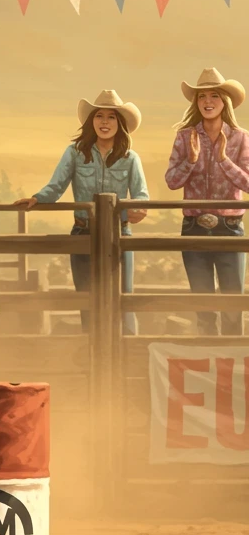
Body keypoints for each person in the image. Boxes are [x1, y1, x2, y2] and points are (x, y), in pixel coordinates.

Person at [15, 90, 148, 335]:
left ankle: (130, 360)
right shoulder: (75, 153)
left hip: (119, 235)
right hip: (83, 233)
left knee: (123, 300)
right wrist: (36, 199)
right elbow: (56, 186)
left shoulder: (131, 158)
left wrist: (132, 211)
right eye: (99, 116)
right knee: (86, 300)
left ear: (120, 124)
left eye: (111, 117)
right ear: (91, 121)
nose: (105, 122)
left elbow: (141, 196)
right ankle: (91, 362)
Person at [164, 67, 249, 336]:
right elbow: (172, 181)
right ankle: (207, 362)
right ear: (196, 102)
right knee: (202, 303)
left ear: (225, 101)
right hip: (194, 226)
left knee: (232, 304)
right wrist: (190, 160)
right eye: (201, 96)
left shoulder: (241, 137)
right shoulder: (184, 136)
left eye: (214, 95)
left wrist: (224, 160)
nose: (207, 101)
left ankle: (234, 366)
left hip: (230, 226)